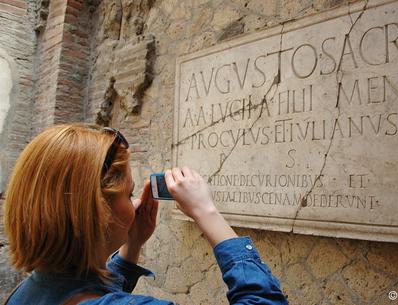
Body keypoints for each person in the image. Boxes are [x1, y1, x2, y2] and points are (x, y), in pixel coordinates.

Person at [3, 124, 288, 305]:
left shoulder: (26, 291)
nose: (133, 203)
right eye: (128, 195)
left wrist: (132, 245)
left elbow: (88, 291)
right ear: (100, 212)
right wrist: (206, 211)